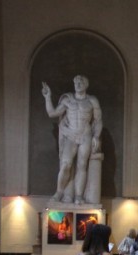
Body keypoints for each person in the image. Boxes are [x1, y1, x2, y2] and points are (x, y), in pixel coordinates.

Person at [42, 75, 102, 205]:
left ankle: (79, 196)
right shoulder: (68, 100)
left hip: (85, 135)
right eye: (76, 82)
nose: (78, 84)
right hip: (70, 135)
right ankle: (59, 192)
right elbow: (52, 113)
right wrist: (47, 97)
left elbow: (98, 120)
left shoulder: (92, 101)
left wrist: (96, 136)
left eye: (81, 82)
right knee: (66, 164)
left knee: (82, 165)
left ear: (86, 85)